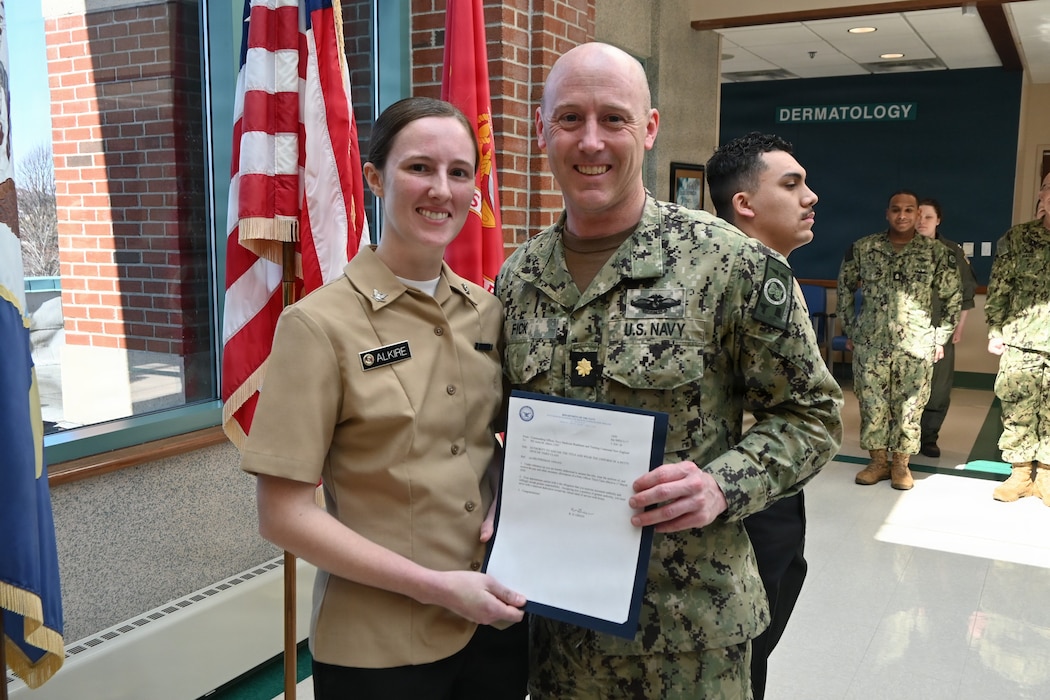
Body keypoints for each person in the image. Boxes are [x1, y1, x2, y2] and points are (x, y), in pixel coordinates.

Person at [496, 42, 843, 699]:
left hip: (689, 641)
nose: (590, 141)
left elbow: (813, 417)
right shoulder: (519, 279)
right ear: (542, 131)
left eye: (614, 118)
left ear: (649, 128)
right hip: (557, 631)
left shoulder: (730, 265)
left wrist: (720, 485)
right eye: (569, 119)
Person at [239, 97, 527, 700]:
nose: (441, 189)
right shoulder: (318, 326)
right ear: (374, 178)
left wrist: (509, 487)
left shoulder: (486, 312)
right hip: (379, 649)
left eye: (459, 172)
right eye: (419, 167)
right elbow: (282, 515)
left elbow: (485, 442)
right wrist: (436, 587)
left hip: (491, 624)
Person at [706, 131, 820, 700]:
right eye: (791, 184)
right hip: (736, 500)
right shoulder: (734, 279)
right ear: (744, 203)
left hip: (771, 487)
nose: (810, 197)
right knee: (741, 658)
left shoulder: (775, 275)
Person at [839, 191, 962, 490]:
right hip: (872, 343)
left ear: (918, 214)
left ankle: (901, 465)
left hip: (916, 345)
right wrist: (852, 330)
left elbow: (953, 297)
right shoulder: (863, 248)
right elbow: (844, 288)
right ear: (887, 213)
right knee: (872, 404)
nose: (902, 215)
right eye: (896, 209)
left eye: (909, 210)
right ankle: (878, 462)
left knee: (910, 407)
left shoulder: (937, 252)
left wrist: (939, 338)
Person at [986, 171, 1050, 504]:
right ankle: (1020, 474)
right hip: (1021, 339)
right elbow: (999, 287)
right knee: (1017, 408)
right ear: (1041, 195)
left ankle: (1047, 476)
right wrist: (995, 331)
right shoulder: (1018, 238)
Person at [915, 198, 978, 458]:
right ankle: (903, 436)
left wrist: (958, 329)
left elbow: (966, 294)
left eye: (928, 217)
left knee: (938, 387)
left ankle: (929, 437)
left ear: (938, 220)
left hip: (941, 329)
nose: (921, 221)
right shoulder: (897, 248)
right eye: (918, 216)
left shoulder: (952, 252)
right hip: (906, 331)